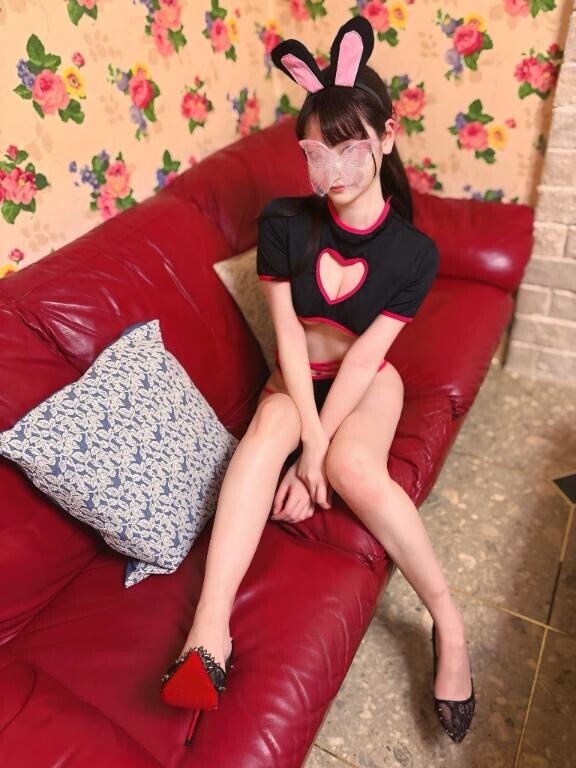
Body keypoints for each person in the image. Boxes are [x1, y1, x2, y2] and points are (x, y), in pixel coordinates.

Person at [160, 15, 475, 746]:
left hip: (368, 381)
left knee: (351, 468)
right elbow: (291, 339)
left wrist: (318, 454)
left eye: (349, 146)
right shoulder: (283, 224)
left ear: (387, 138)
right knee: (267, 433)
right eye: (316, 151)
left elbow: (364, 361)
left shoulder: (414, 254)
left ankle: (449, 623)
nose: (332, 167)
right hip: (299, 374)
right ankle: (209, 632)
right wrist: (303, 436)